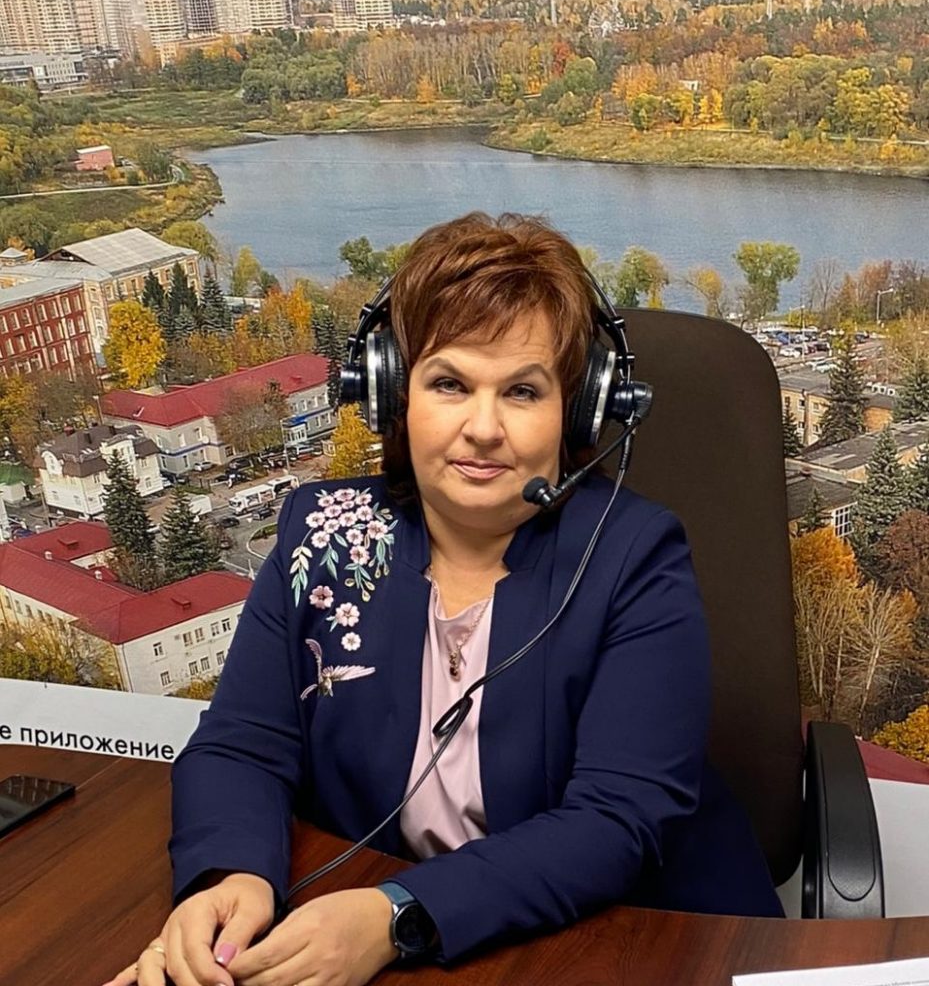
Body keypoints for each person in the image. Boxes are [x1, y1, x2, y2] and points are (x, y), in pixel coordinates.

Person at [105, 212, 782, 986]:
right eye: (450, 384)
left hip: (621, 938)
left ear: (576, 410)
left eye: (522, 391)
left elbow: (616, 818)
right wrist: (232, 879)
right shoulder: (321, 534)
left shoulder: (633, 554)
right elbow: (241, 745)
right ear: (393, 394)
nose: (482, 428)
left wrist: (396, 915)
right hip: (394, 949)